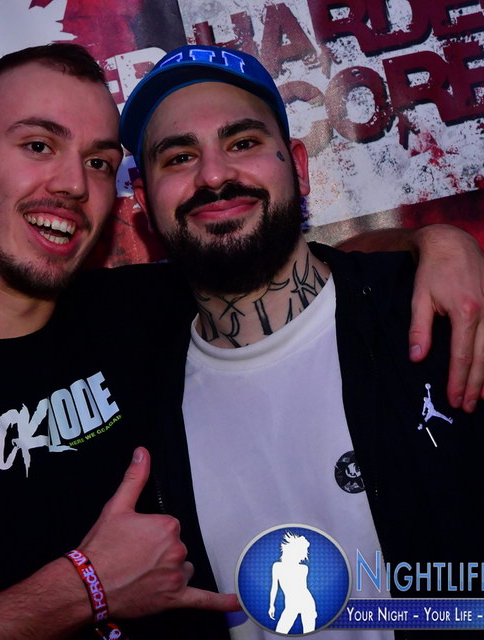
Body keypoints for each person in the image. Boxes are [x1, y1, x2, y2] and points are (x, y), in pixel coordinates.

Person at [0, 42, 482, 640]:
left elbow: (276, 254)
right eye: (38, 145)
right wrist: (84, 589)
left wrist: (436, 243)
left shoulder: (133, 312)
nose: (72, 183)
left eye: (98, 162)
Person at [118, 44, 484, 638]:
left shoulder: (435, 320)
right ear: (142, 202)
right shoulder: (133, 393)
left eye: (242, 143)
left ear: (298, 165)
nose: (214, 176)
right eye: (180, 157)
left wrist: (440, 239)